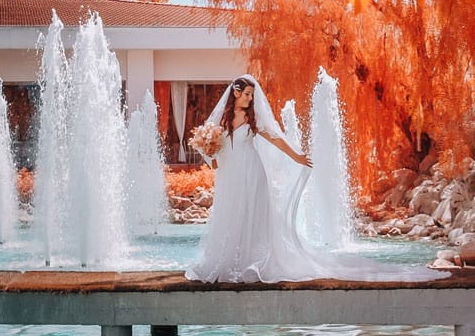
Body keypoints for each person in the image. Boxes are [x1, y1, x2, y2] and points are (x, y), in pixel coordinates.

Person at [184, 75, 445, 284]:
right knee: (232, 212)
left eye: (253, 95)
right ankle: (229, 261)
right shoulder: (220, 119)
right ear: (236, 93)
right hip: (230, 174)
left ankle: (251, 261)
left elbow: (275, 138)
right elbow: (213, 150)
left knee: (252, 212)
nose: (251, 99)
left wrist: (296, 156)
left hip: (252, 171)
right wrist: (211, 155)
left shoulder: (253, 119)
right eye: (248, 94)